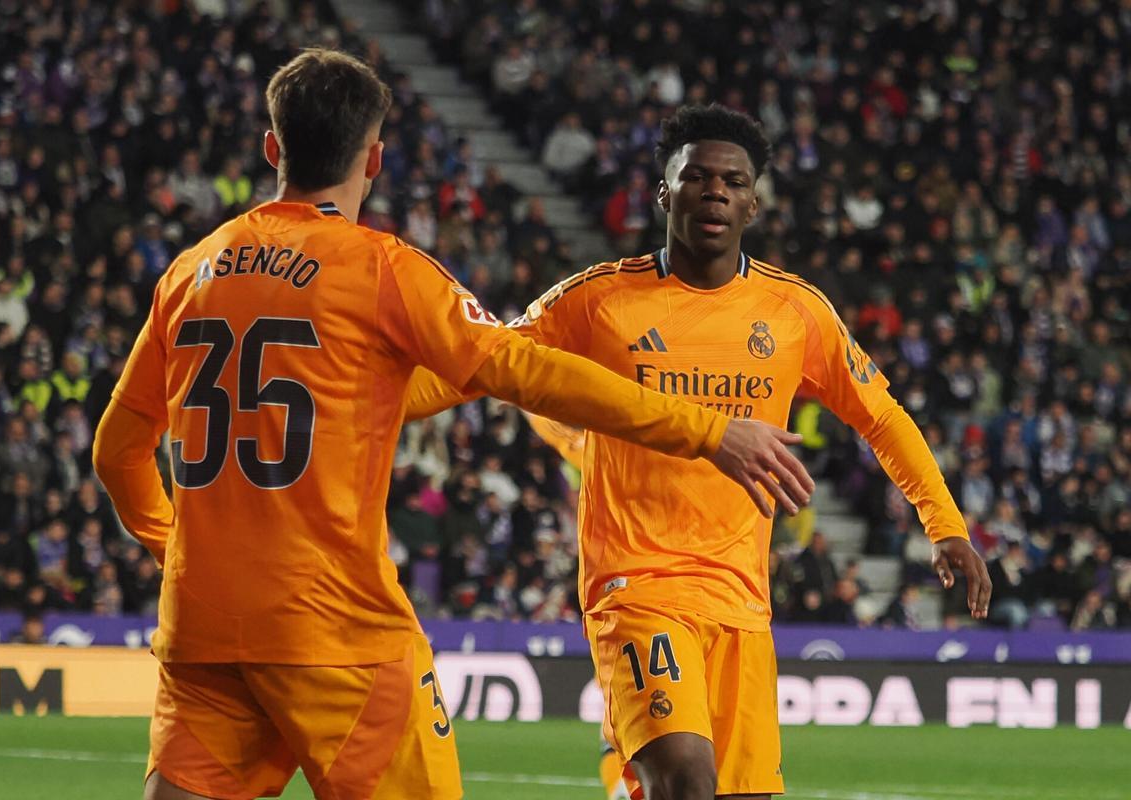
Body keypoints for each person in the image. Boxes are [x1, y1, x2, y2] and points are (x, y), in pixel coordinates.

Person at [92, 55, 812, 800]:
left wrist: (174, 548)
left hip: (203, 625)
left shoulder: (190, 273)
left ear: (272, 148)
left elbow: (117, 452)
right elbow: (524, 368)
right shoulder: (379, 269)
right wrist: (707, 431)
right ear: (374, 157)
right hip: (337, 631)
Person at [404, 104, 992, 800]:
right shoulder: (598, 300)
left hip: (742, 602)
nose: (715, 190)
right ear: (664, 192)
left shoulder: (795, 311)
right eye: (697, 176)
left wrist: (945, 523)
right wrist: (348, 404)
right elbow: (480, 365)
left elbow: (883, 417)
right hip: (639, 584)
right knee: (685, 781)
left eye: (733, 181)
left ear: (754, 201)